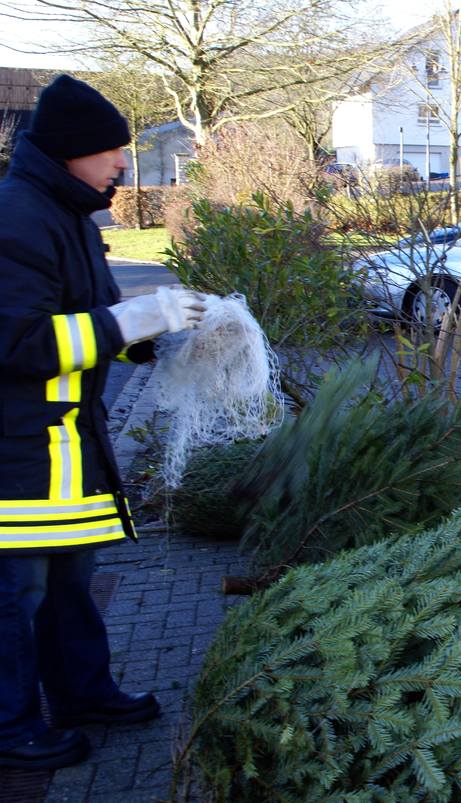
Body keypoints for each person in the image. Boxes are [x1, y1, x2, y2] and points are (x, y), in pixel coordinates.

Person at [0, 75, 206, 770]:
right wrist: (127, 319)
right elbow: (17, 343)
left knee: (67, 585)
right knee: (15, 597)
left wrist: (154, 337)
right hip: (19, 453)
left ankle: (83, 693)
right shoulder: (16, 218)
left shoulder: (67, 214)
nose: (123, 163)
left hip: (66, 449)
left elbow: (88, 322)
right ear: (69, 152)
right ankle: (11, 726)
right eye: (112, 150)